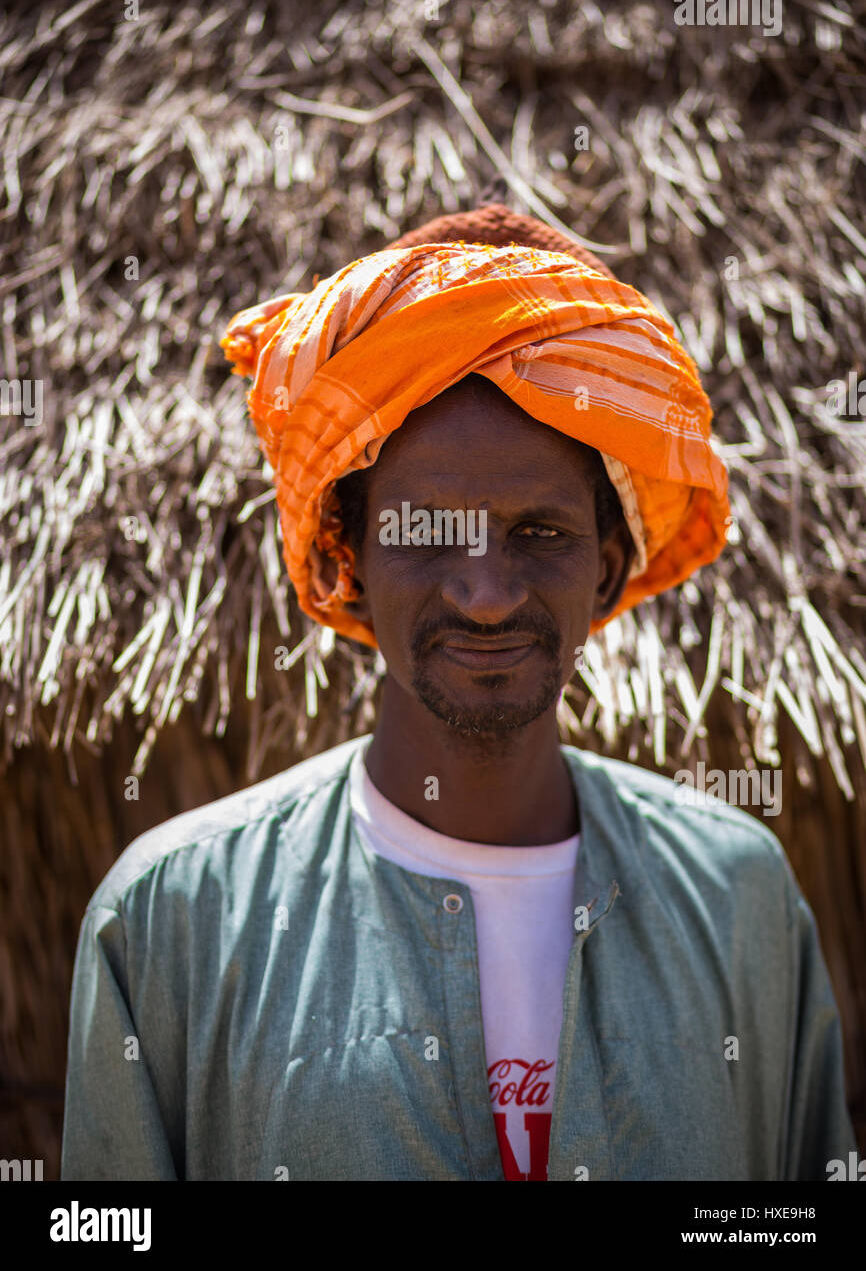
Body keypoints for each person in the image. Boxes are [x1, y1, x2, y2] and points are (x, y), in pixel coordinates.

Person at [61, 203, 857, 1181]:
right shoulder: (173, 916)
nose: (485, 594)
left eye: (539, 533)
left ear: (606, 570)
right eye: (429, 531)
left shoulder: (738, 899)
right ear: (348, 558)